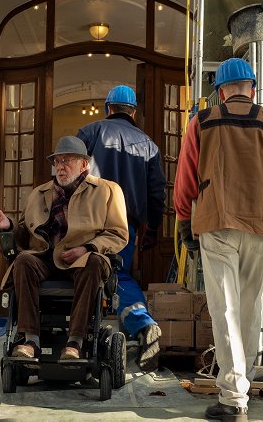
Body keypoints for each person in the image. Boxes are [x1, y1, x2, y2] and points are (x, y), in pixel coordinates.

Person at [174, 58, 263, 421]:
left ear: (220, 91)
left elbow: (186, 178)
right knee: (248, 310)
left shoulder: (200, 122)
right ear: (252, 88)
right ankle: (242, 384)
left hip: (216, 223)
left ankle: (234, 398)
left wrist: (184, 221)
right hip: (260, 224)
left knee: (226, 310)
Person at [0, 136, 128, 360]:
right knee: (23, 261)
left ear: (84, 164)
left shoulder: (107, 191)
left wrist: (87, 248)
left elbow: (118, 233)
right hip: (46, 258)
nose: (60, 167)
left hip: (83, 260)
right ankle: (30, 340)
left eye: (67, 160)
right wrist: (8, 226)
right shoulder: (39, 193)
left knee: (93, 263)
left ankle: (75, 342)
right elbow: (24, 236)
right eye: (57, 161)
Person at [76, 85, 167, 371]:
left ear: (108, 108)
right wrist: (151, 230)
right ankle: (140, 325)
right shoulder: (148, 144)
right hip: (124, 225)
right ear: (133, 112)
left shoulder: (90, 132)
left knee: (85, 272)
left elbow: (70, 173)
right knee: (118, 273)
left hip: (89, 217)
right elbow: (157, 192)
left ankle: (83, 339)